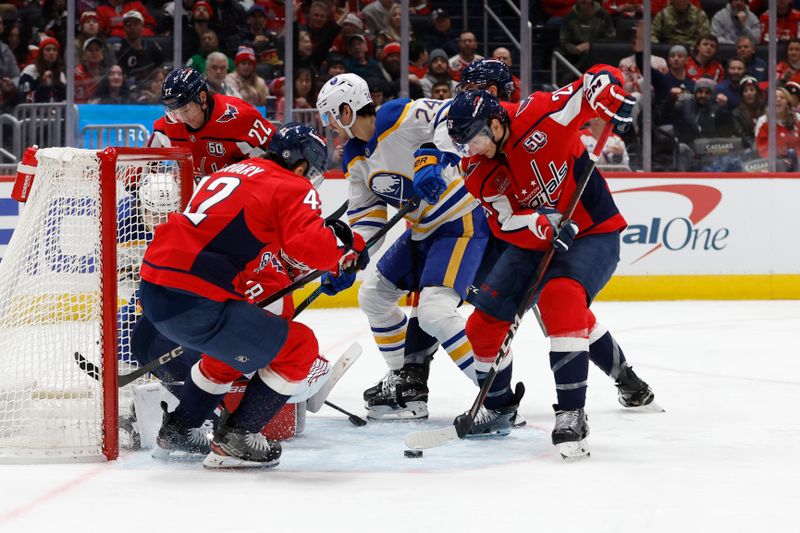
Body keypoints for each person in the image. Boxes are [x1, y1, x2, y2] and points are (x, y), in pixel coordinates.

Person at [446, 68, 656, 459]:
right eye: (465, 144)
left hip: (593, 228)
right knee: (483, 325)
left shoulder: (539, 115)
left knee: (560, 299)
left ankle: (571, 413)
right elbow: (507, 221)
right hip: (536, 240)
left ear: (494, 123)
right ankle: (498, 407)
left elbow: (591, 83)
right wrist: (543, 226)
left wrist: (612, 96)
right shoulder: (476, 169)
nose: (471, 149)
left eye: (475, 138)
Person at [139, 123, 369, 469]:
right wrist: (344, 250)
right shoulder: (292, 184)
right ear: (303, 166)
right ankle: (237, 438)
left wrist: (333, 246)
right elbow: (311, 248)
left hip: (155, 293)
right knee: (299, 347)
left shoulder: (234, 172)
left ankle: (180, 430)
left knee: (228, 354)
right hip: (197, 298)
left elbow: (247, 237)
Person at [315, 73, 503, 428]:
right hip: (421, 232)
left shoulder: (398, 115)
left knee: (434, 311)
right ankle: (408, 386)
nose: (330, 127)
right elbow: (368, 220)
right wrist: (350, 257)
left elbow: (455, 115)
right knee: (372, 295)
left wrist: (434, 155)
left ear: (346, 109)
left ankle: (497, 397)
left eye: (329, 117)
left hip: (459, 221)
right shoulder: (354, 157)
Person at [149, 67, 276, 178]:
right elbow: (142, 169)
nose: (179, 118)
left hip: (241, 195)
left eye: (185, 109)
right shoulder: (166, 127)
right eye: (172, 111)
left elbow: (277, 156)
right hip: (194, 197)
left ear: (202, 98)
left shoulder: (240, 117)